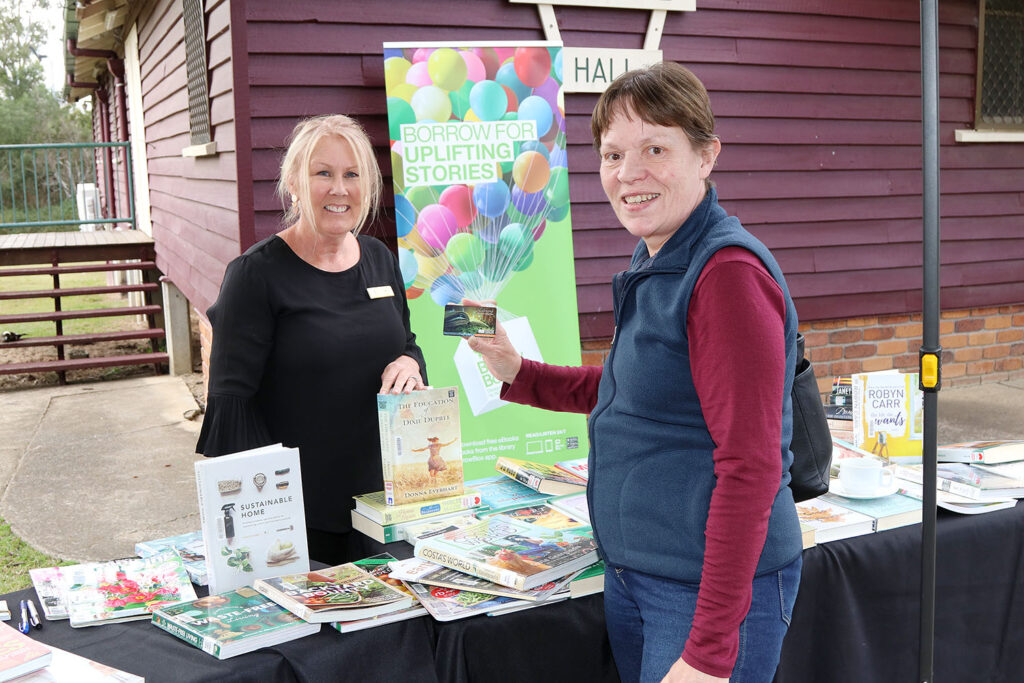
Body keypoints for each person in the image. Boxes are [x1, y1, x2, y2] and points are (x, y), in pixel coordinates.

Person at [468, 62, 802, 683]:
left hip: (704, 595)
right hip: (638, 579)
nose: (628, 174)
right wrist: (521, 372)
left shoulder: (725, 276)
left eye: (655, 148)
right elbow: (639, 391)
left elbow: (751, 465)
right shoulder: (660, 256)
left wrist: (708, 651)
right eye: (613, 154)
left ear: (706, 156)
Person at [196, 114, 427, 565]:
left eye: (351, 174)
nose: (339, 189)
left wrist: (410, 362)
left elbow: (407, 343)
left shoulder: (379, 259)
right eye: (323, 173)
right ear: (295, 184)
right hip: (300, 521)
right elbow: (231, 405)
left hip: (385, 507)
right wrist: (261, 525)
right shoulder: (255, 276)